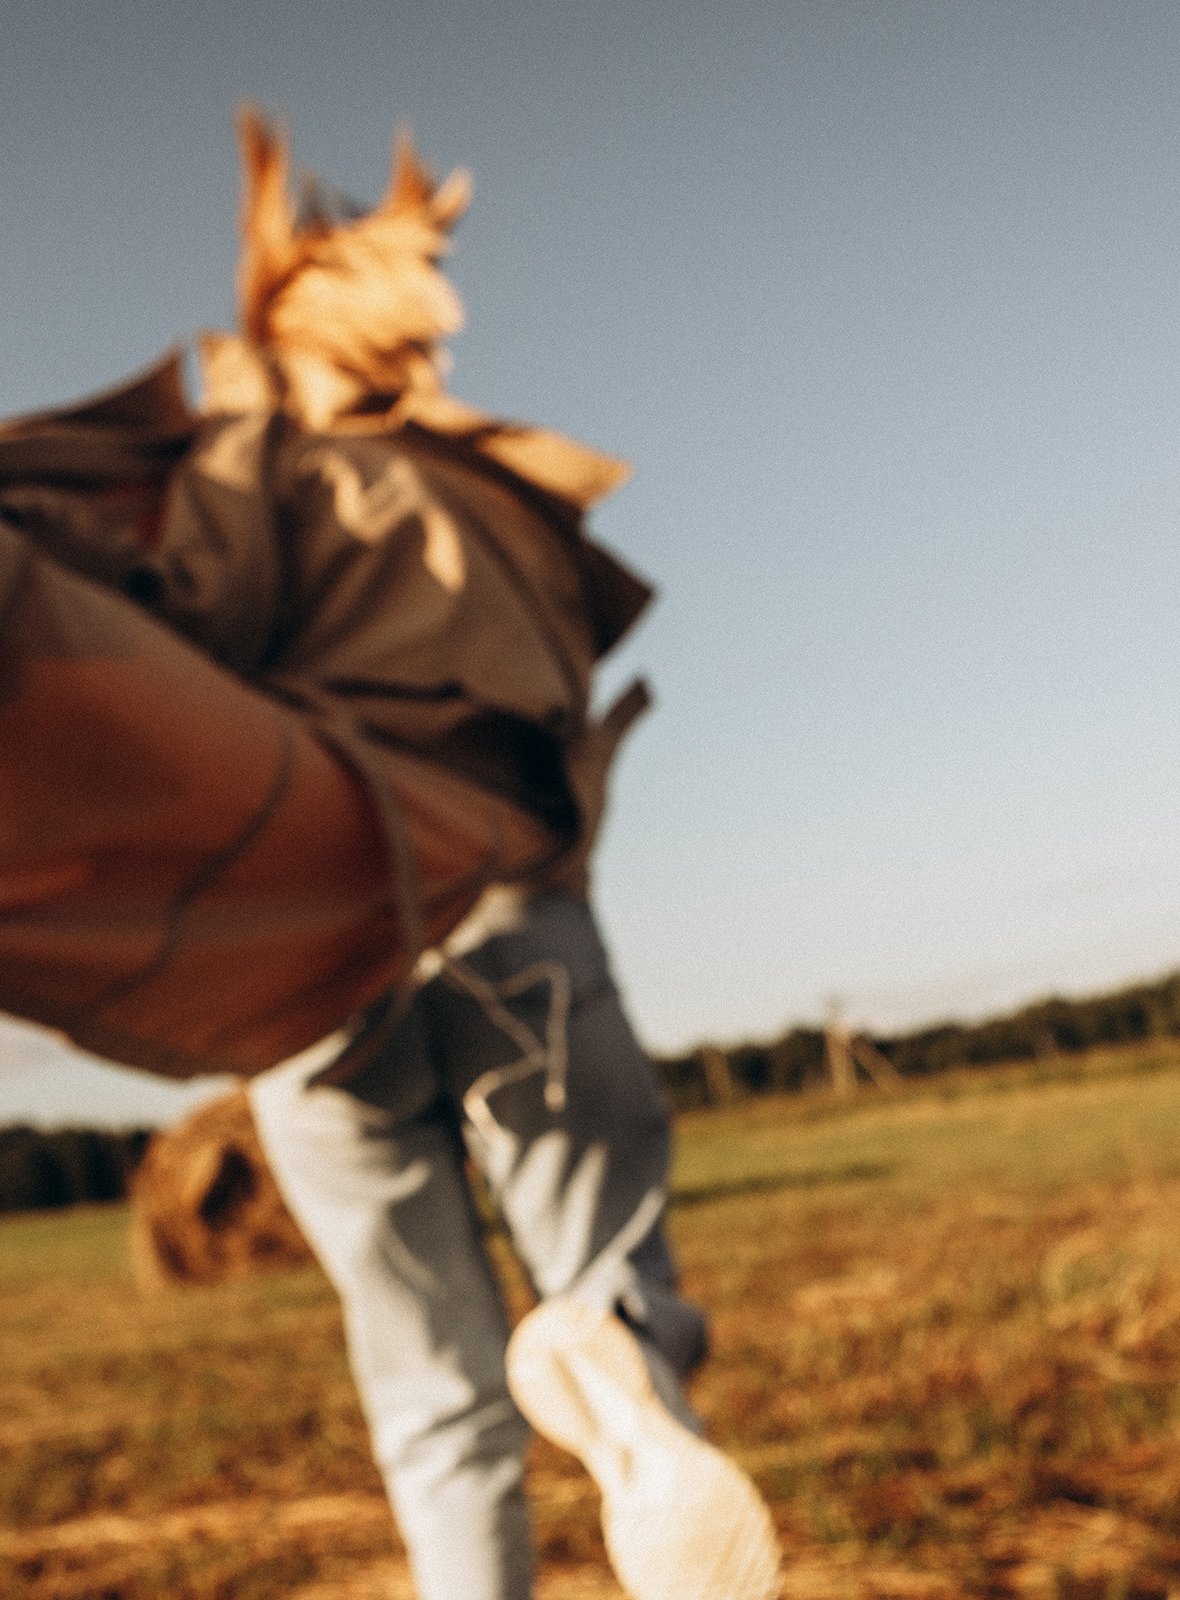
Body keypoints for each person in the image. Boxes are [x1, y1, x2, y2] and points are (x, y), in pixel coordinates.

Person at [184, 115, 778, 1600]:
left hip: (316, 972)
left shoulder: (229, 498)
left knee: (428, 1385)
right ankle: (617, 1378)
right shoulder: (493, 498)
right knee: (607, 1283)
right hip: (522, 917)